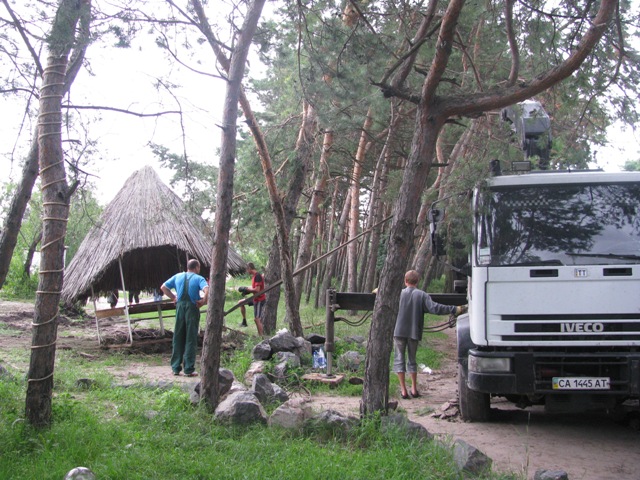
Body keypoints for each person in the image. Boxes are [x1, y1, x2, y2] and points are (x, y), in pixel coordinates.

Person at [393, 270, 466, 400]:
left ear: (405, 281)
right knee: (412, 359)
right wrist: (454, 309)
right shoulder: (422, 295)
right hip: (414, 332)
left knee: (399, 359)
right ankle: (414, 389)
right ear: (418, 281)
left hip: (398, 331)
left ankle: (403, 390)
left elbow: (383, 296)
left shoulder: (398, 294)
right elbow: (435, 308)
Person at [161, 259, 209, 377]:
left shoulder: (178, 276)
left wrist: (173, 297)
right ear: (197, 267)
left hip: (180, 307)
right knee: (190, 337)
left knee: (178, 336)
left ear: (187, 267)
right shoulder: (199, 278)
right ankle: (188, 369)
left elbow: (163, 287)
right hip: (192, 308)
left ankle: (176, 368)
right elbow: (207, 290)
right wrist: (203, 301)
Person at [237, 262, 265, 336]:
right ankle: (244, 321)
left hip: (259, 299)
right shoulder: (254, 276)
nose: (246, 272)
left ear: (249, 268)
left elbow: (257, 290)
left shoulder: (257, 276)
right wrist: (246, 291)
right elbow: (254, 289)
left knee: (257, 319)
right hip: (255, 298)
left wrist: (246, 288)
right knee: (241, 302)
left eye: (247, 270)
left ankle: (261, 336)